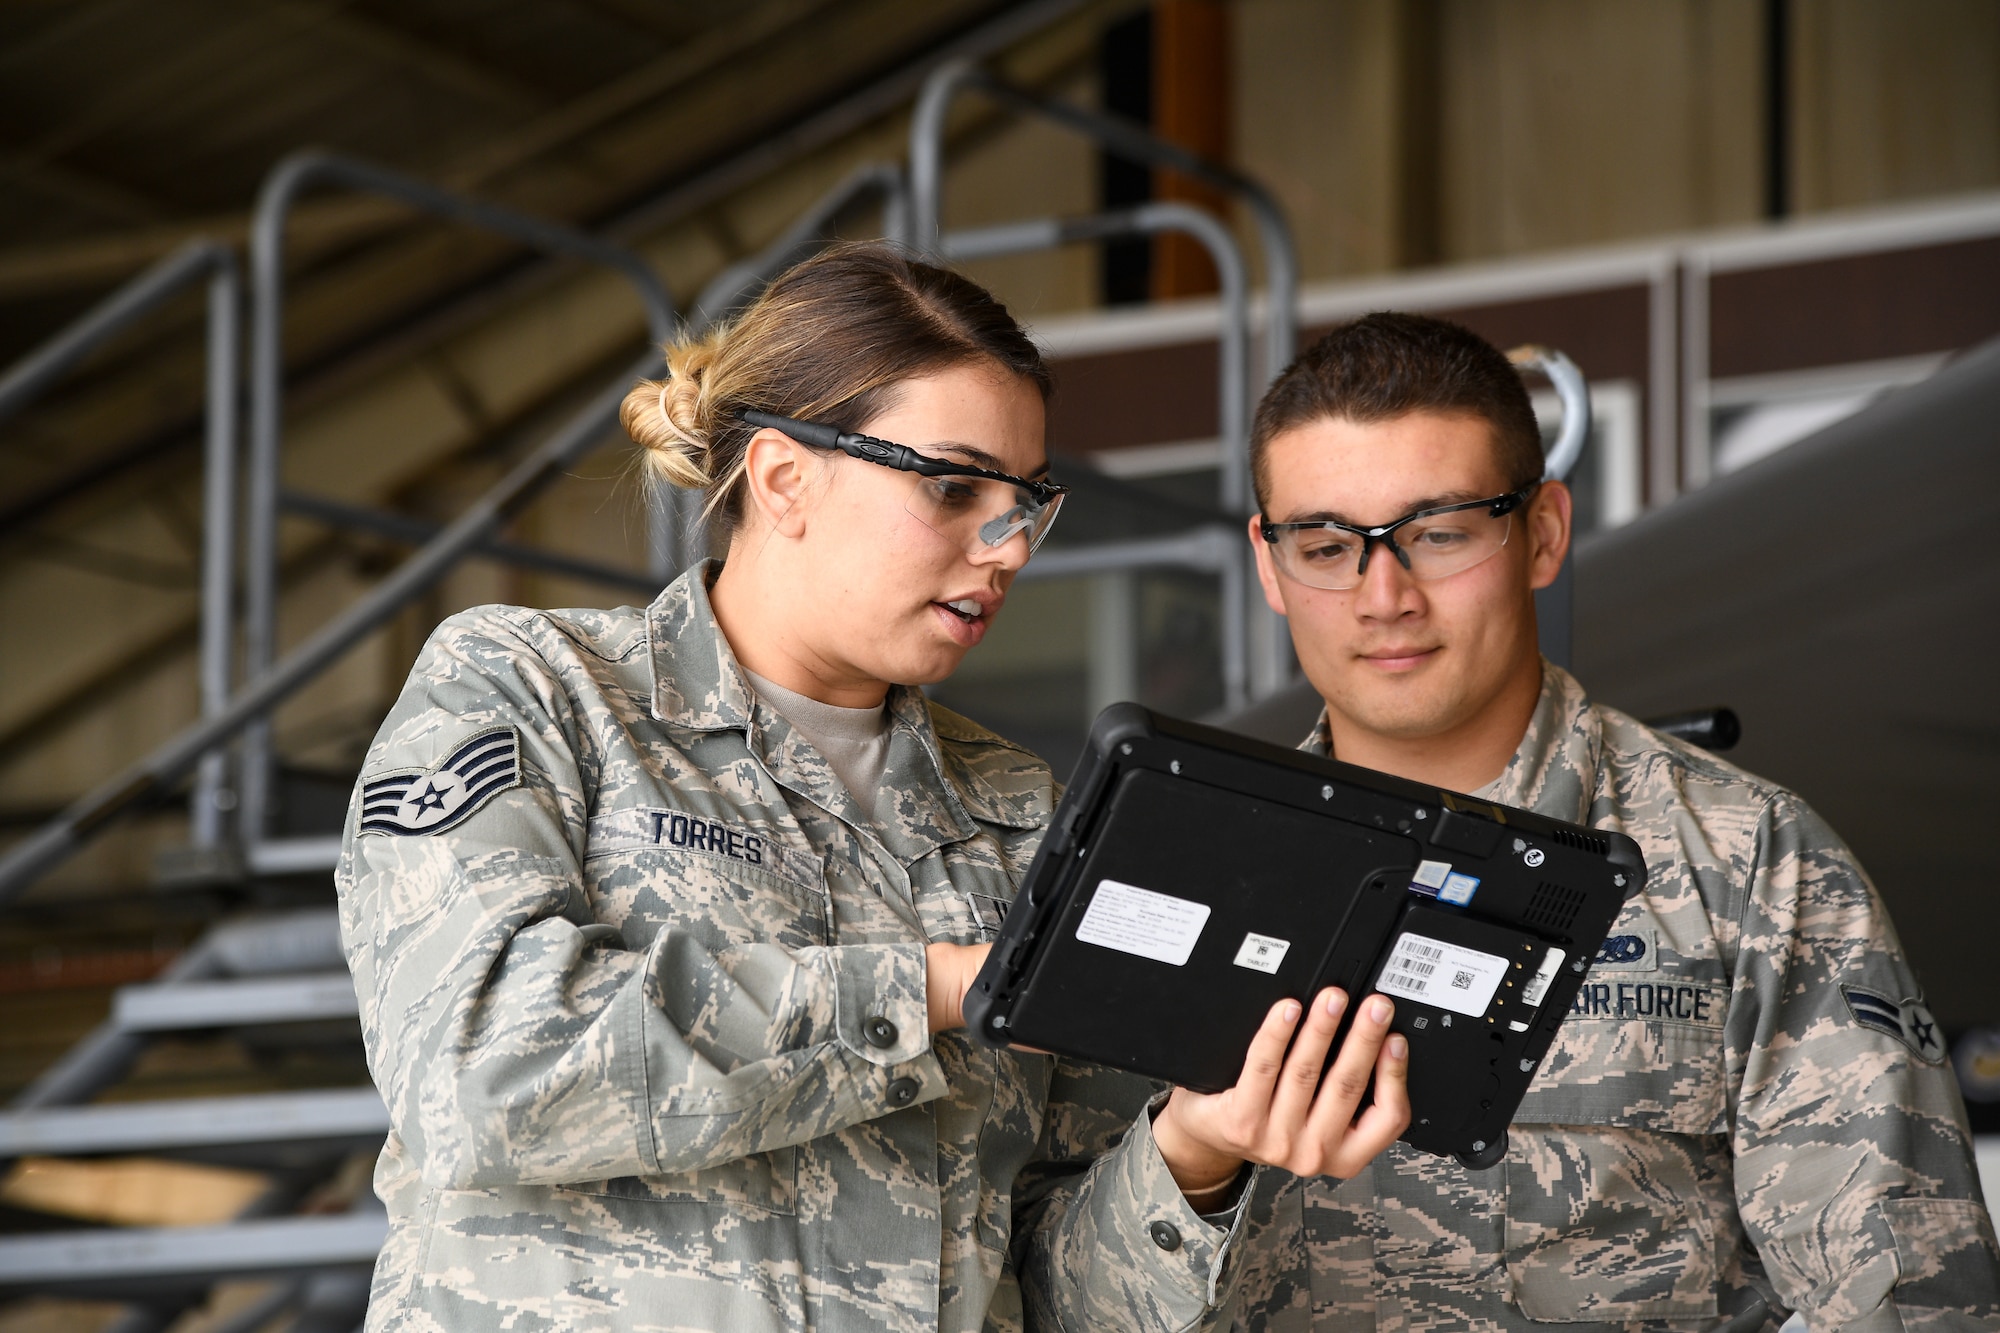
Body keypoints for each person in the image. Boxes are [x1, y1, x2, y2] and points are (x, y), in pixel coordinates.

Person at [335, 242, 1412, 1332]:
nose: (1003, 548)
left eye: (1024, 502)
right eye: (951, 488)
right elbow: (482, 1069)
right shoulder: (533, 689)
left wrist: (1197, 1147)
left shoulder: (1018, 810)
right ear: (782, 477)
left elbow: (1053, 1293)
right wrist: (936, 988)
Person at [1221, 312, 1999, 1331]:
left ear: (1541, 532)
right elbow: (1047, 1282)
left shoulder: (1745, 862)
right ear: (1269, 565)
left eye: (1439, 533)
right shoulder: (1192, 862)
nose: (1382, 596)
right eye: (1325, 545)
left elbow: (1910, 1297)